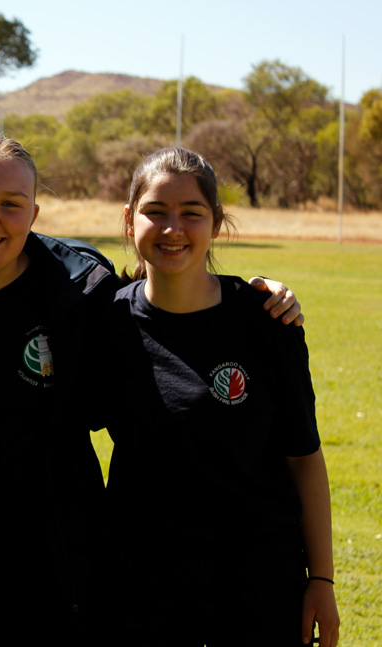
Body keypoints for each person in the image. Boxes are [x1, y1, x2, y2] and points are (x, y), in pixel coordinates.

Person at [0, 136, 304, 645]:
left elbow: (170, 299)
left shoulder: (81, 291)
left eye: (11, 204)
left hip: (47, 577)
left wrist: (254, 294)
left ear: (34, 212)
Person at [104, 146, 340, 647]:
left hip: (258, 586)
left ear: (216, 223)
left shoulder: (267, 321)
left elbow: (303, 457)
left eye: (192, 213)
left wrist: (321, 579)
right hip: (145, 588)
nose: (173, 229)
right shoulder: (104, 322)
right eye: (155, 212)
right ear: (129, 220)